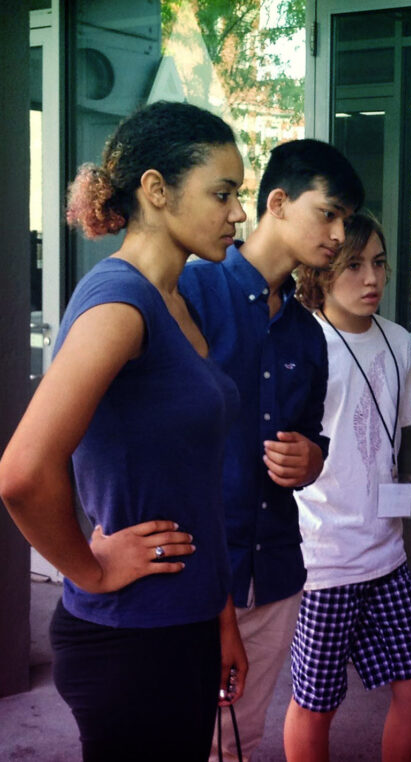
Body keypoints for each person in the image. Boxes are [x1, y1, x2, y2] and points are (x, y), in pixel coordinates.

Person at [0, 100, 247, 761]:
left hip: (183, 623)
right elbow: (23, 471)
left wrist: (219, 617)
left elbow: (190, 486)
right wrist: (86, 568)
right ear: (157, 191)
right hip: (131, 639)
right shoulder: (120, 303)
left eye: (239, 195)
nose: (238, 213)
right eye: (222, 193)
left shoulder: (178, 298)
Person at [178, 138, 365, 761]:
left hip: (275, 574)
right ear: (278, 203)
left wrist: (312, 460)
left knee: (238, 742)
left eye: (346, 220)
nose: (339, 234)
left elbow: (313, 441)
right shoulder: (194, 292)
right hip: (193, 573)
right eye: (328, 213)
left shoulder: (310, 334)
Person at [282, 213, 411, 762]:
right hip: (324, 558)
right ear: (322, 271)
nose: (372, 278)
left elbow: (393, 437)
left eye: (378, 262)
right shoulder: (303, 344)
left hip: (386, 552)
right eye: (353, 264)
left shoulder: (398, 341)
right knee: (316, 704)